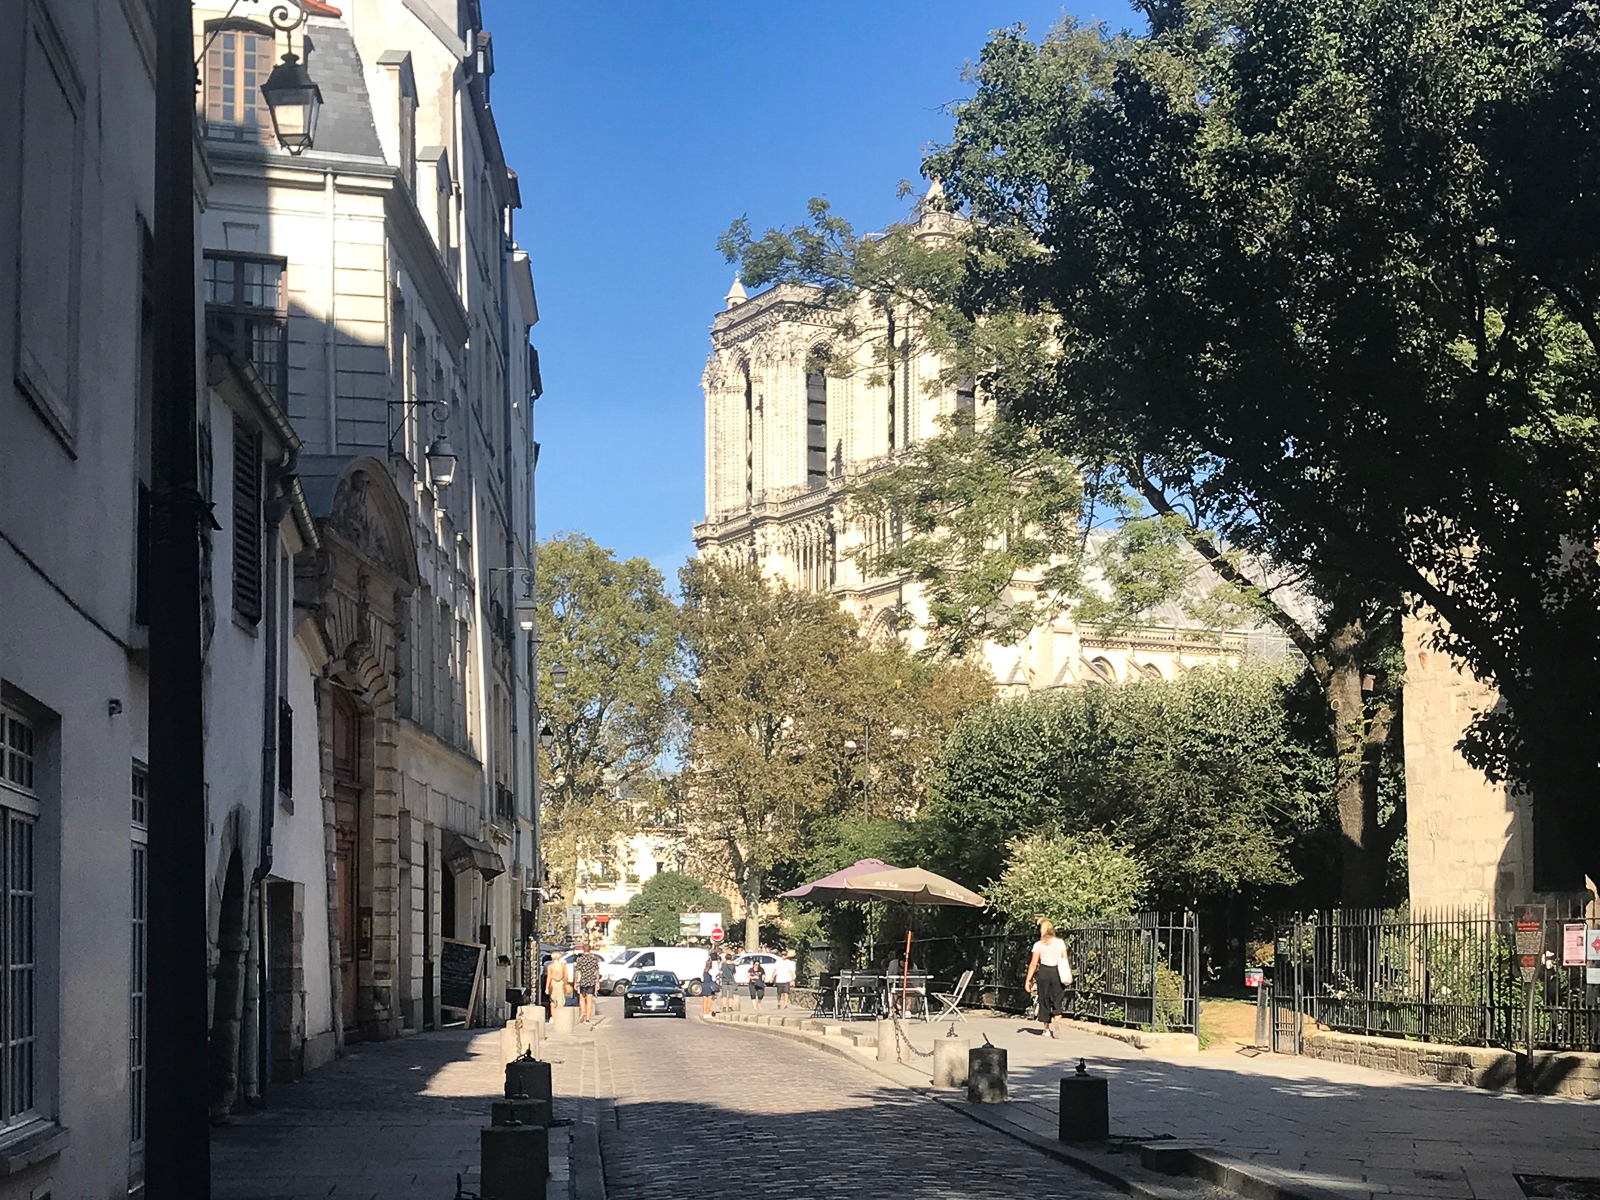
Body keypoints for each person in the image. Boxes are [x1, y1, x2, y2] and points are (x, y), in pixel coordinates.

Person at [1024, 918, 1070, 1038]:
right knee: (1057, 997)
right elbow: (1064, 957)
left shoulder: (1038, 945)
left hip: (1044, 971)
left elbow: (1034, 963)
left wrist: (1028, 979)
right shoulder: (1060, 942)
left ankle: (1046, 1029)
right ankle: (1057, 1016)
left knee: (1044, 999)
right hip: (1057, 971)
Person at [574, 943, 604, 1023]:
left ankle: (583, 1012)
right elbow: (596, 971)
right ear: (590, 949)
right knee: (590, 1000)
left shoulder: (579, 959)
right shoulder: (594, 959)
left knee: (582, 998)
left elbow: (577, 971)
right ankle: (587, 1019)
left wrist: (576, 982)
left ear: (583, 949)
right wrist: (597, 982)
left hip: (582, 981)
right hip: (591, 981)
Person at [544, 952, 571, 1019]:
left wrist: (547, 987)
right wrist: (566, 984)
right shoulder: (562, 965)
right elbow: (566, 976)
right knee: (560, 1000)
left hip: (553, 983)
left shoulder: (550, 966)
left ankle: (553, 1017)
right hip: (561, 983)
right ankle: (559, 1016)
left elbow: (549, 977)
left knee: (553, 1001)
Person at [701, 950, 719, 1017]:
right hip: (709, 985)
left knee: (704, 999)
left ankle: (704, 1012)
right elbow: (714, 978)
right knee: (709, 999)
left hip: (704, 985)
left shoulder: (704, 970)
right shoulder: (711, 971)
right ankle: (707, 1012)